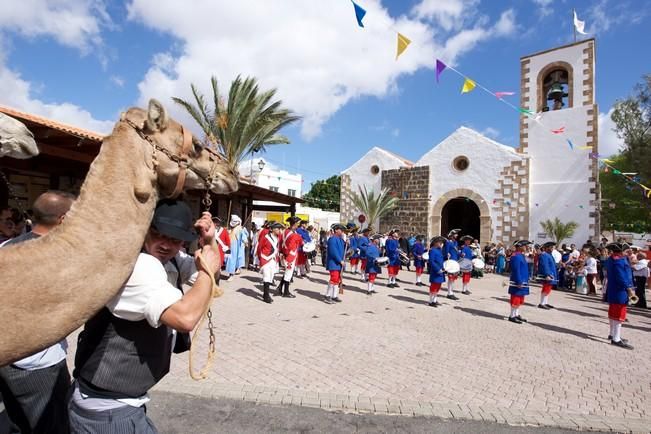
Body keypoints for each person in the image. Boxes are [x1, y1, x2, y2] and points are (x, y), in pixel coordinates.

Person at [69, 199, 222, 433]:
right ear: (144, 230)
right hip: (108, 410)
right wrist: (206, 271)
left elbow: (211, 275)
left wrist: (210, 241)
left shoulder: (170, 258)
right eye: (158, 234)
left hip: (122, 404)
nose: (166, 244)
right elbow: (186, 317)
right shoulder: (139, 264)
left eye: (175, 239)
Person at [0, 191, 75, 433]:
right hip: (40, 363)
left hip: (7, 359)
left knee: (16, 422)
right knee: (52, 426)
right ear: (64, 219)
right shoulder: (54, 257)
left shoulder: (5, 247)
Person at [603, 243, 635, 349]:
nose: (627, 253)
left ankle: (612, 334)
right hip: (620, 290)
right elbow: (622, 277)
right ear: (621, 251)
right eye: (626, 251)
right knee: (619, 314)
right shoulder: (619, 261)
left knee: (613, 312)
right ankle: (616, 339)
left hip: (613, 289)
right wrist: (629, 289)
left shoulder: (611, 260)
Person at [258, 222, 284, 303]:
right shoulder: (265, 237)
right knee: (266, 276)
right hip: (265, 259)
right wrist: (261, 259)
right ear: (272, 229)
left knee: (270, 277)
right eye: (278, 229)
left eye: (280, 229)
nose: (279, 230)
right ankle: (266, 295)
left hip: (273, 259)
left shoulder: (278, 238)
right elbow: (259, 248)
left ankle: (266, 294)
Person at [507, 240, 532, 324]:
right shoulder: (516, 256)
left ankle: (516, 314)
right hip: (519, 280)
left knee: (520, 298)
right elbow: (516, 270)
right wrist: (518, 281)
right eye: (525, 246)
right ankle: (512, 316)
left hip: (523, 280)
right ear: (520, 246)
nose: (527, 247)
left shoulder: (521, 255)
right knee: (515, 298)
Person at [277, 216, 302, 298]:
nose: (298, 225)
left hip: (285, 254)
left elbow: (280, 242)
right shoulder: (293, 234)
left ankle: (280, 287)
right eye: (297, 223)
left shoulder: (285, 231)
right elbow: (291, 246)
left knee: (287, 272)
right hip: (290, 255)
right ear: (294, 224)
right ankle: (286, 292)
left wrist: (282, 252)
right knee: (288, 274)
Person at [325, 223, 346, 303]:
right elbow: (333, 252)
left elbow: (343, 250)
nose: (342, 231)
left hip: (339, 263)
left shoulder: (340, 239)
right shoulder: (332, 239)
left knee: (337, 280)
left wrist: (347, 243)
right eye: (341, 229)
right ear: (336, 230)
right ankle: (327, 295)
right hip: (334, 262)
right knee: (333, 279)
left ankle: (334, 295)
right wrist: (340, 260)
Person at [537, 241, 558, 309]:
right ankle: (542, 303)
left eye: (552, 247)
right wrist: (547, 274)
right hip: (548, 275)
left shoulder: (549, 255)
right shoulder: (544, 255)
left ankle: (545, 302)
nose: (552, 249)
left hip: (551, 274)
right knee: (545, 289)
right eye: (551, 247)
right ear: (547, 248)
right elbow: (545, 266)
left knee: (548, 289)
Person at [427, 236, 446, 307]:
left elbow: (441, 260)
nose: (441, 243)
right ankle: (431, 301)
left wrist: (443, 268)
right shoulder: (432, 250)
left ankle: (434, 300)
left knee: (438, 286)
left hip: (441, 270)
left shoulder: (439, 250)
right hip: (436, 271)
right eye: (439, 242)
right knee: (434, 286)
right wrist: (437, 269)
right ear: (435, 243)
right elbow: (431, 262)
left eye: (441, 242)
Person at [442, 229, 461, 300]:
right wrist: (447, 255)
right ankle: (449, 293)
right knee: (451, 278)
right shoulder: (448, 242)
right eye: (456, 234)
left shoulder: (455, 242)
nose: (457, 235)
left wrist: (460, 254)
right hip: (450, 261)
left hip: (455, 261)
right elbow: (445, 251)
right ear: (452, 235)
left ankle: (451, 292)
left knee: (454, 278)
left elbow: (456, 252)